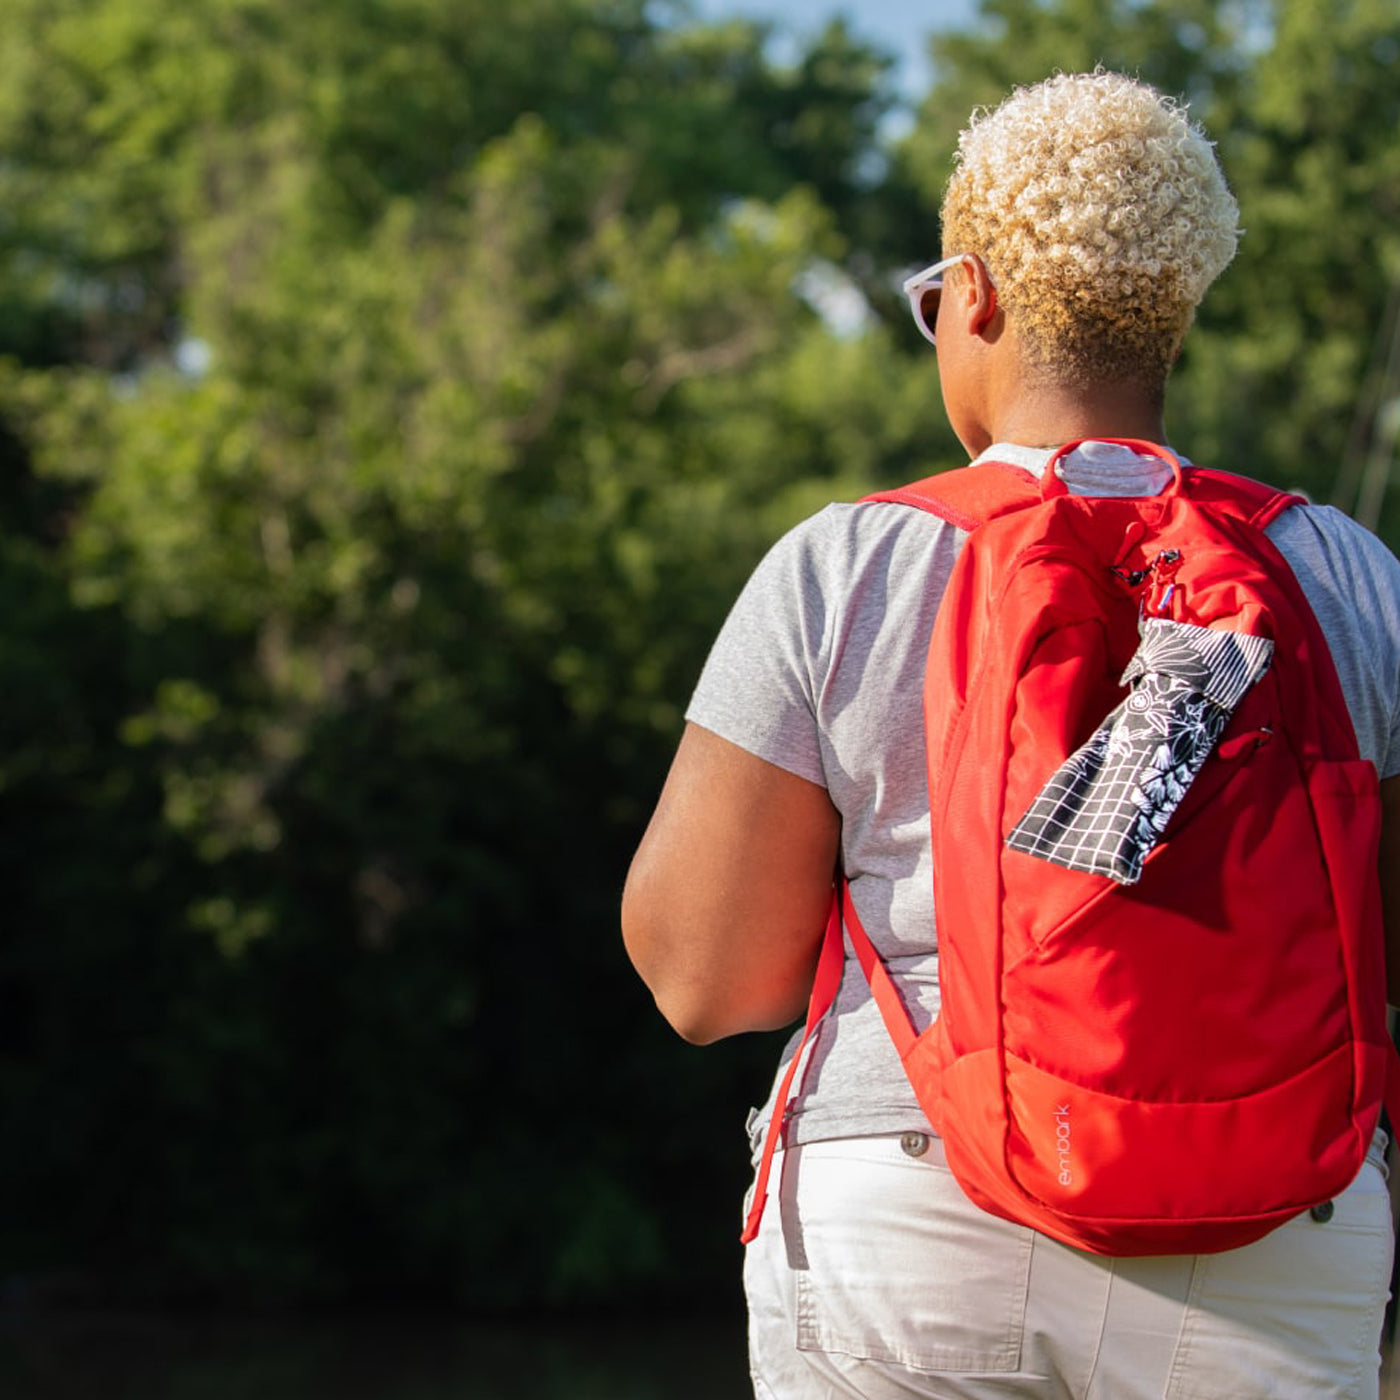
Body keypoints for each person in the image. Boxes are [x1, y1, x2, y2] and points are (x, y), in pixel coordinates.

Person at [622, 70, 1400, 1399]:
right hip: (1278, 1220)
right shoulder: (1343, 572)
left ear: (971, 295)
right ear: (1179, 311)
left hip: (912, 1208)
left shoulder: (846, 565)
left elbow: (709, 982)